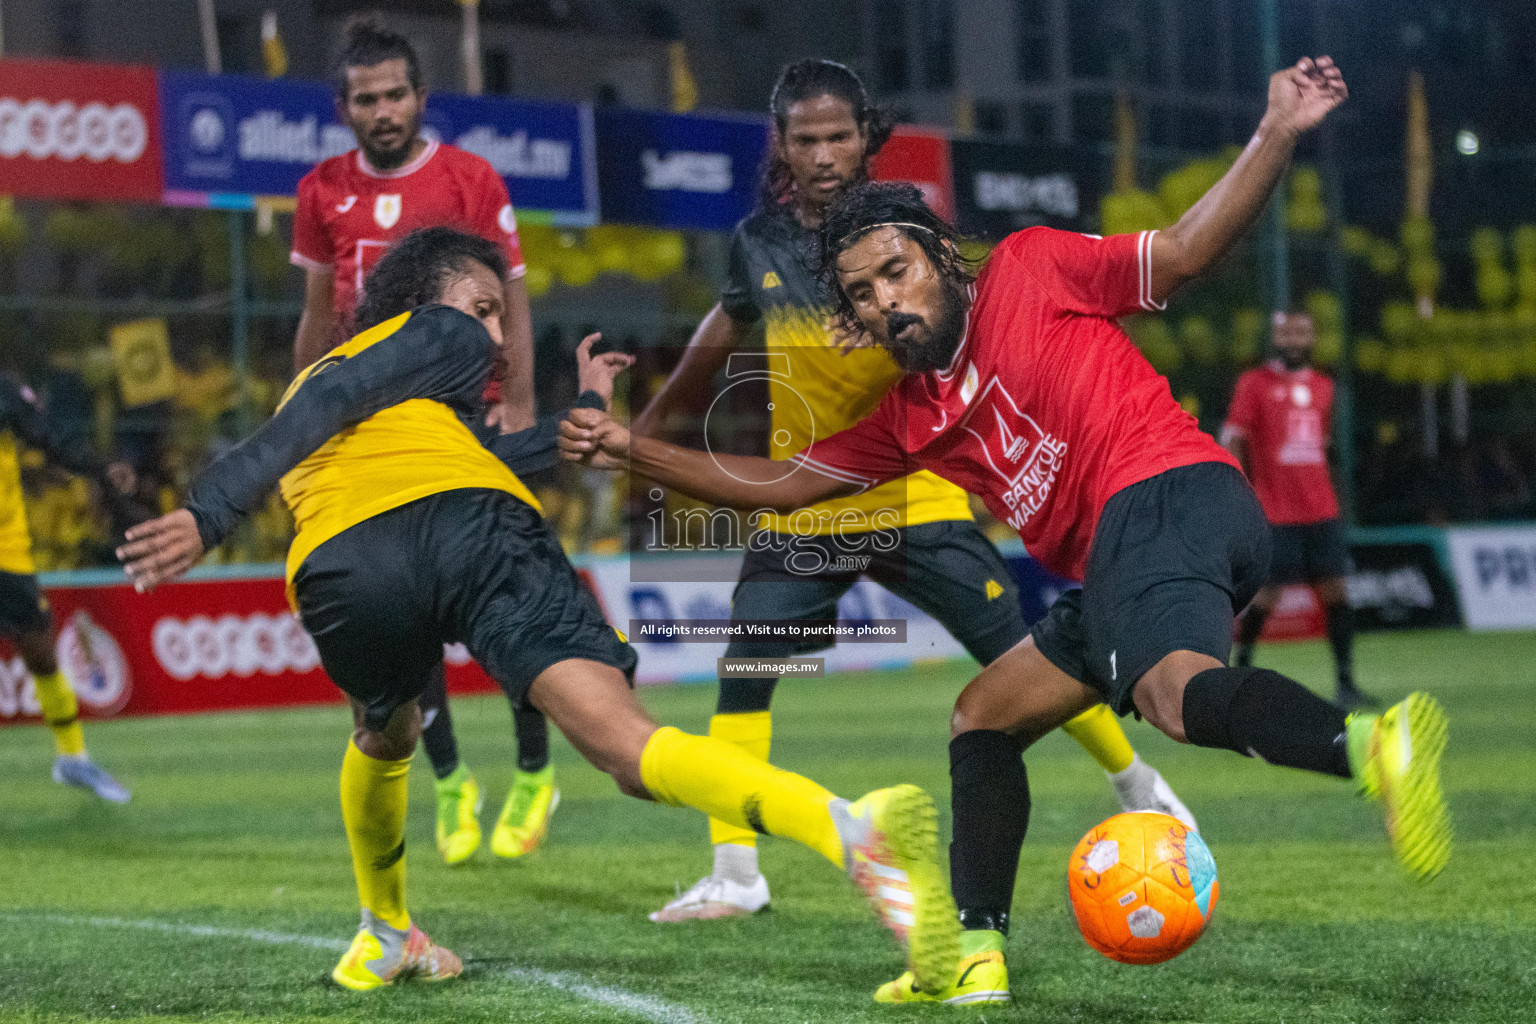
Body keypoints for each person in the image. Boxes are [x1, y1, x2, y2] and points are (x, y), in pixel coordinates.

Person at [562, 57, 1452, 1004]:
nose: (884, 302)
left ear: (939, 256)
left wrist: (1277, 130)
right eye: (861, 295)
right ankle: (977, 954)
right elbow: (781, 485)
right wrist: (628, 447)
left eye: (895, 272)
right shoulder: (906, 416)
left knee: (1172, 697)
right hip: (1124, 550)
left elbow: (1185, 254)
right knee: (985, 714)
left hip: (1165, 490)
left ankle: (1367, 747)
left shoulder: (1030, 266)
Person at [118, 226, 963, 996]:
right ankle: (849, 831)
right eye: (483, 309)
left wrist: (588, 410)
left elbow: (492, 453)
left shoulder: (403, 403)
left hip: (345, 567)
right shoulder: (424, 337)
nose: (493, 336)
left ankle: (384, 930)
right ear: (426, 305)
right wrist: (211, 510)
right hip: (475, 532)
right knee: (627, 748)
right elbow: (335, 407)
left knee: (385, 729)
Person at [631, 59, 1192, 977]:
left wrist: (893, 335)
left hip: (913, 488)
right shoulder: (757, 242)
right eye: (804, 139)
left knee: (1023, 653)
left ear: (867, 137)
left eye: (837, 136)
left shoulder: (907, 235)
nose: (821, 154)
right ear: (784, 145)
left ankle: (1144, 789)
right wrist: (647, 427)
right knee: (745, 674)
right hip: (805, 497)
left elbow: (968, 332)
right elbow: (720, 333)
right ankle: (736, 874)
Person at [288, 16, 554, 866]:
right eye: (367, 98)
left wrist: (516, 399)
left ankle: (535, 768)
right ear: (345, 108)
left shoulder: (470, 178)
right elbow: (317, 314)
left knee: (514, 585)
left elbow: (510, 295)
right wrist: (301, 418)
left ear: (420, 97)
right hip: (373, 424)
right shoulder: (320, 191)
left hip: (465, 415)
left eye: (397, 93)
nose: (383, 109)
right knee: (408, 609)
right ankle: (449, 782)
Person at [1223, 311, 1377, 709]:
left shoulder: (1325, 386)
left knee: (1336, 593)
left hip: (1321, 510)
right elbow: (1233, 437)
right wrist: (1238, 489)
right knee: (1267, 597)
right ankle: (1240, 672)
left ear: (1311, 338)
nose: (1294, 339)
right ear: (1275, 336)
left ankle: (1346, 683)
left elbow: (1320, 447)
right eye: (1286, 332)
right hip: (1274, 512)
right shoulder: (1254, 384)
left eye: (1302, 332)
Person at [1, 375, 136, 802]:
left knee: (39, 648)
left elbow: (50, 436)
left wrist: (99, 467)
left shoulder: (4, 391)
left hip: (6, 547)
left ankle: (73, 758)